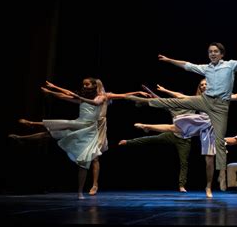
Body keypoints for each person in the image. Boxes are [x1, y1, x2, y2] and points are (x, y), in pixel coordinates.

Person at [125, 42, 237, 188]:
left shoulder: (230, 65)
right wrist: (169, 60)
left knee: (219, 142)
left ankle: (222, 175)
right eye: (210, 52)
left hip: (219, 108)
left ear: (221, 54)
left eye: (215, 52)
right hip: (205, 102)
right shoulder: (206, 69)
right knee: (177, 103)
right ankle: (144, 102)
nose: (212, 54)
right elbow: (187, 65)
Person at [9, 78, 149, 199]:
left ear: (98, 86)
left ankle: (95, 184)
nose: (94, 87)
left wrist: (137, 93)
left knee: (95, 156)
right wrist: (53, 88)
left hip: (98, 126)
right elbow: (69, 94)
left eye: (97, 85)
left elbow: (125, 95)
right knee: (57, 132)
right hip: (85, 123)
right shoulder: (87, 97)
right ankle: (28, 133)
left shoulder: (105, 96)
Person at [122, 80, 237, 198]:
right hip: (202, 123)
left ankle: (208, 187)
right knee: (175, 127)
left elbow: (235, 96)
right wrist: (165, 90)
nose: (204, 86)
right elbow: (179, 96)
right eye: (201, 85)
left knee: (209, 160)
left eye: (206, 84)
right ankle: (147, 126)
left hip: (214, 126)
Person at [118, 81, 202, 194]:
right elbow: (159, 100)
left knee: (184, 162)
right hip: (171, 134)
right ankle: (128, 142)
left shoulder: (191, 106)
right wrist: (149, 91)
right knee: (152, 139)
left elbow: (200, 98)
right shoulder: (172, 108)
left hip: (185, 139)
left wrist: (204, 88)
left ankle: (182, 186)